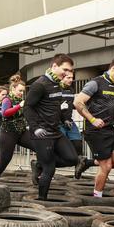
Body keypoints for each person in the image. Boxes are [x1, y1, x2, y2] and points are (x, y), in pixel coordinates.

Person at [73, 57, 114, 196]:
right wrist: (92, 119)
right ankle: (97, 197)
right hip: (95, 131)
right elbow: (78, 102)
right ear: (113, 68)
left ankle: (88, 162)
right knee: (106, 166)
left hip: (109, 130)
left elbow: (112, 109)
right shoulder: (95, 83)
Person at [24, 54, 79, 199]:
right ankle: (42, 200)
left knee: (73, 159)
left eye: (69, 71)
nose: (67, 73)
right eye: (65, 69)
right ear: (54, 66)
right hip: (42, 133)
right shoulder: (39, 84)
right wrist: (35, 128)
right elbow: (27, 108)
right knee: (50, 169)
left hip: (56, 131)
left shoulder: (57, 84)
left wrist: (64, 119)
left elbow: (56, 106)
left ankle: (39, 165)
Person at [0, 76, 34, 181]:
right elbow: (5, 113)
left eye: (23, 91)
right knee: (4, 160)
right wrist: (19, 106)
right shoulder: (7, 99)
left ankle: (38, 169)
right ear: (13, 89)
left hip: (21, 132)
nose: (21, 93)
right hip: (8, 133)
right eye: (20, 91)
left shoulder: (21, 100)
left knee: (38, 146)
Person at [59, 72, 83, 156]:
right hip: (57, 123)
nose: (71, 80)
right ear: (61, 78)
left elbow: (71, 105)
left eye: (72, 78)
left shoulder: (71, 89)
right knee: (62, 148)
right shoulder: (55, 89)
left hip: (69, 122)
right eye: (68, 78)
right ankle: (40, 164)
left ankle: (79, 167)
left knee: (78, 145)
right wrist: (60, 107)